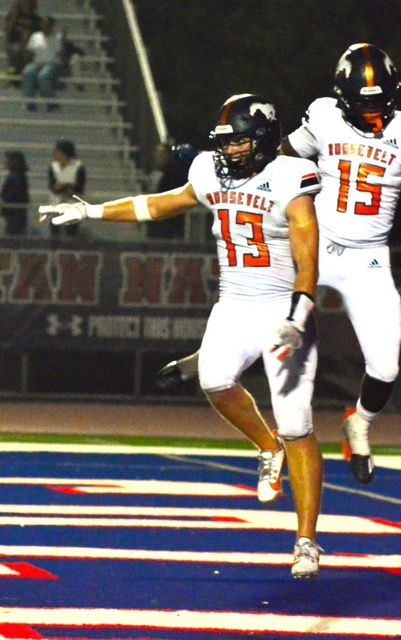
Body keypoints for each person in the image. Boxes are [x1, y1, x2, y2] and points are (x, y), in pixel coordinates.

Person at [39, 93, 325, 579]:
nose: (226, 151)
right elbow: (158, 205)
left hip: (283, 306)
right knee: (214, 380)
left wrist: (299, 313)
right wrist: (91, 213)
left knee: (296, 420)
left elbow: (308, 256)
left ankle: (306, 541)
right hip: (234, 303)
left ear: (261, 141)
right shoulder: (211, 174)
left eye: (236, 143)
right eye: (224, 143)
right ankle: (266, 447)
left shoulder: (291, 178)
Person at [155, 43, 401, 486]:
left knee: (387, 366)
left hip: (368, 259)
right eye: (361, 103)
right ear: (340, 96)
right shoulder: (324, 116)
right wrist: (205, 163)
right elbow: (268, 158)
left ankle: (360, 425)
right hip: (316, 245)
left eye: (379, 103)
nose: (370, 113)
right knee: (265, 311)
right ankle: (209, 357)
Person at [146, 141, 198, 240]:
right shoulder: (156, 175)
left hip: (170, 223)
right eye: (157, 154)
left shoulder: (175, 174)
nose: (158, 157)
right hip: (157, 221)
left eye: (162, 154)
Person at [21, 15, 64, 111]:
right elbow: (28, 53)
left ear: (52, 26)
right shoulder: (35, 37)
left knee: (43, 76)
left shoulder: (57, 37)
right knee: (27, 72)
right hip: (37, 63)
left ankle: (52, 103)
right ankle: (30, 104)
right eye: (44, 24)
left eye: (48, 25)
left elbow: (61, 55)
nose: (45, 26)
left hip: (52, 64)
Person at [47, 139, 86, 238]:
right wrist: (64, 187)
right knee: (54, 232)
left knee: (71, 234)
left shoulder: (78, 167)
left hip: (73, 204)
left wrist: (64, 187)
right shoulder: (53, 166)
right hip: (55, 204)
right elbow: (52, 186)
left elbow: (80, 186)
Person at [3, 0, 42, 75]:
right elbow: (7, 33)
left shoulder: (36, 19)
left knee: (28, 53)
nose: (25, 3)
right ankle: (15, 77)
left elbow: (38, 38)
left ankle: (21, 74)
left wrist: (26, 42)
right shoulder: (13, 16)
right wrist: (14, 18)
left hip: (29, 46)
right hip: (14, 43)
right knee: (16, 50)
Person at [1, 150, 29, 235]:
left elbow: (13, 194)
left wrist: (4, 203)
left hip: (15, 212)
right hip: (15, 213)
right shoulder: (19, 176)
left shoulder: (16, 176)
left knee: (13, 235)